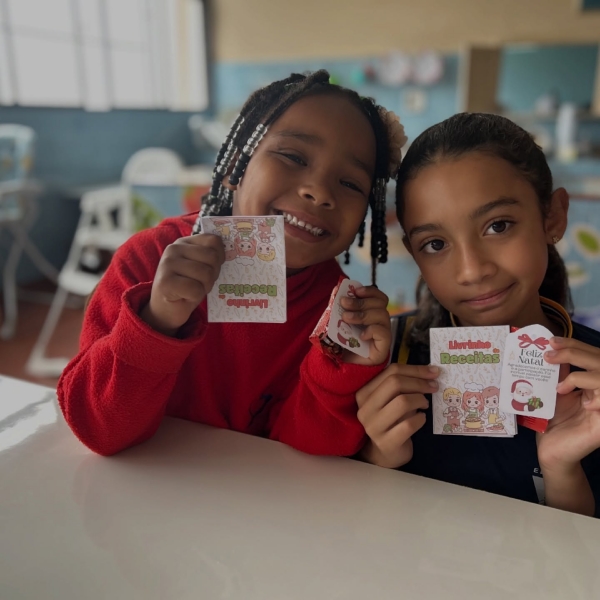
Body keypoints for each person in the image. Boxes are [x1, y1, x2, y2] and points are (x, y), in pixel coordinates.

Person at [58, 70, 406, 457]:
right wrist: (156, 319)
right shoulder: (148, 260)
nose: (319, 191)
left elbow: (306, 455)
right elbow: (98, 428)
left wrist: (342, 369)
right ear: (235, 168)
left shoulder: (336, 312)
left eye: (351, 183)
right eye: (293, 157)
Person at [356, 113, 600, 517]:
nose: (472, 271)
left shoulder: (594, 381)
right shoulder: (384, 361)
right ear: (415, 254)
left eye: (498, 226)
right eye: (435, 244)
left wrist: (561, 471)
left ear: (552, 217)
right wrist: (373, 460)